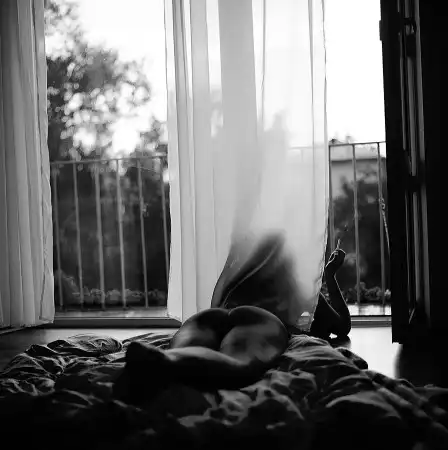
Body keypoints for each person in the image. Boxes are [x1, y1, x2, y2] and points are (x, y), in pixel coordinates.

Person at [114, 236, 351, 403]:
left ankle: (164, 361)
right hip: (257, 317)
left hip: (211, 316)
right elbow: (341, 326)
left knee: (184, 348)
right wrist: (329, 275)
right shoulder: (293, 284)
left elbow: (216, 299)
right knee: (239, 361)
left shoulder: (237, 275)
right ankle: (164, 364)